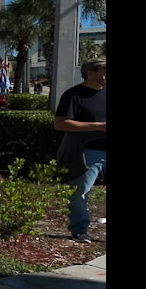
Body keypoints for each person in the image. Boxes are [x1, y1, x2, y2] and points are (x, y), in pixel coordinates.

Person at [53, 59, 106, 243]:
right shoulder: (73, 95)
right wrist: (98, 126)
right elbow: (60, 123)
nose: (105, 76)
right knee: (80, 192)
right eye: (103, 71)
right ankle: (79, 230)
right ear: (89, 72)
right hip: (88, 152)